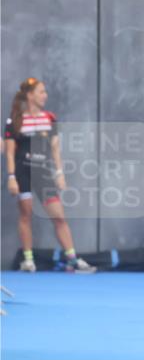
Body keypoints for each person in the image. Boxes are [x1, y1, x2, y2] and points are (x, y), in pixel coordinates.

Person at [5, 77, 96, 273]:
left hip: (43, 173)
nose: (45, 95)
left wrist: (60, 173)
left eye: (45, 92)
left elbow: (55, 149)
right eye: (41, 92)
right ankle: (28, 261)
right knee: (25, 215)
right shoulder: (15, 120)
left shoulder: (50, 118)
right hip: (22, 173)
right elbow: (10, 152)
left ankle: (72, 259)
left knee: (59, 217)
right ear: (30, 95)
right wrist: (11, 176)